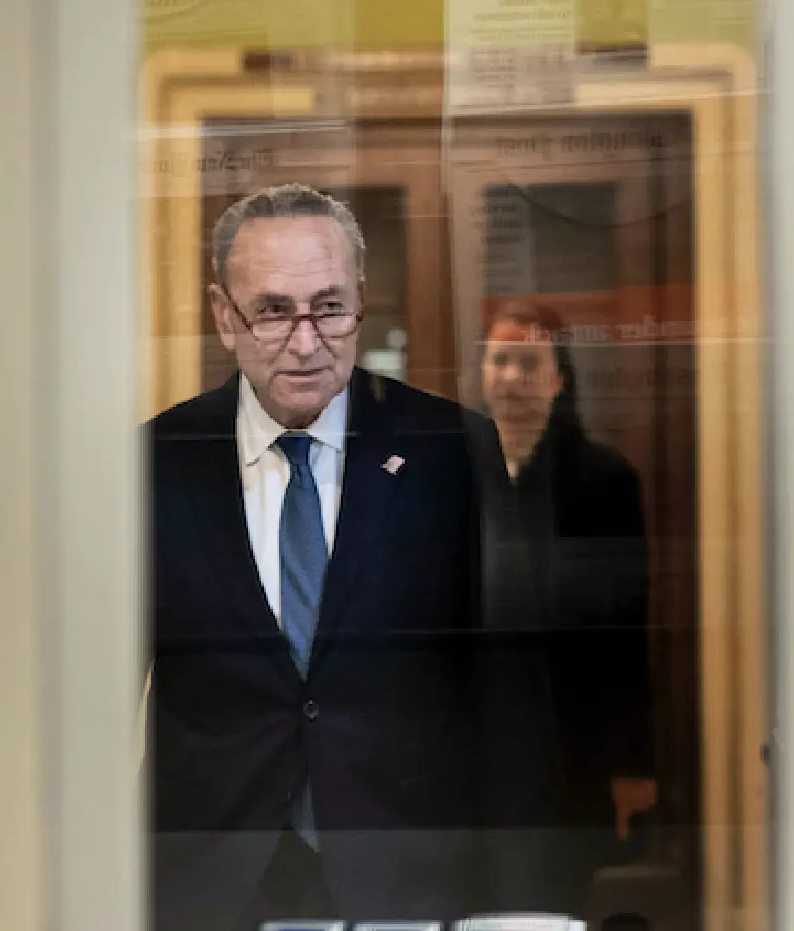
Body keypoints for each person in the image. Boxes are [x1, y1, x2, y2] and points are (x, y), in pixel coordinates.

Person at [146, 184, 559, 931]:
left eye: (329, 308)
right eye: (274, 311)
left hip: (406, 873)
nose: (307, 343)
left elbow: (510, 698)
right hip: (208, 881)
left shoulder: (450, 450)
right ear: (223, 316)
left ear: (361, 299)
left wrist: (520, 904)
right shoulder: (156, 460)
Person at [479, 299, 659, 908]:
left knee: (554, 900)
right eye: (500, 361)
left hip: (571, 737)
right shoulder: (452, 472)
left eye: (529, 364)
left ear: (559, 379)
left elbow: (626, 633)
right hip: (474, 743)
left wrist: (633, 763)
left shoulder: (603, 480)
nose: (511, 378)